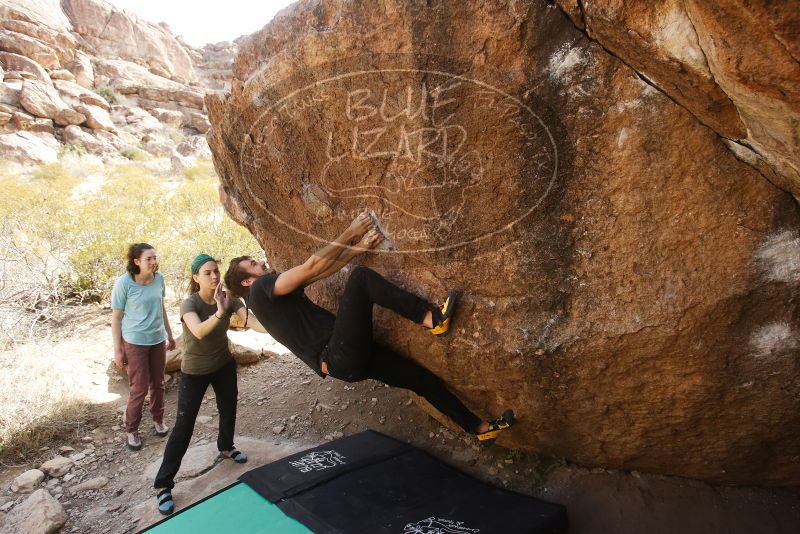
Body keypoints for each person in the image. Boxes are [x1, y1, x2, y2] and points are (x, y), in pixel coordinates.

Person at [224, 211, 514, 443]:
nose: (261, 263)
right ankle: (431, 318)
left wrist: (359, 247)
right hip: (337, 352)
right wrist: (351, 230)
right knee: (360, 278)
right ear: (248, 281)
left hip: (343, 363)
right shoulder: (261, 289)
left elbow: (321, 271)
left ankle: (479, 428)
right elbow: (312, 265)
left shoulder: (271, 299)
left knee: (421, 380)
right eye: (253, 264)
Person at [153, 254, 266, 516]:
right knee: (184, 425)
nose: (214, 276)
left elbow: (251, 322)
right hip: (195, 371)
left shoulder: (230, 298)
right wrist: (219, 310)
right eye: (207, 272)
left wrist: (278, 327)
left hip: (223, 364)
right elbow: (200, 331)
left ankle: (226, 447)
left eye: (216, 271)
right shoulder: (189, 304)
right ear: (196, 278)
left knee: (228, 407)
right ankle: (163, 485)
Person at [112, 243, 176, 451]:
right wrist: (118, 349)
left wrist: (170, 333)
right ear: (136, 261)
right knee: (139, 388)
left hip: (157, 339)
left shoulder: (159, 279)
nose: (153, 262)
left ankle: (158, 419)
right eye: (148, 258)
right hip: (135, 342)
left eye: (154, 258)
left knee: (158, 383)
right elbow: (116, 317)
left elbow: (161, 307)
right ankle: (131, 429)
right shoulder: (125, 283)